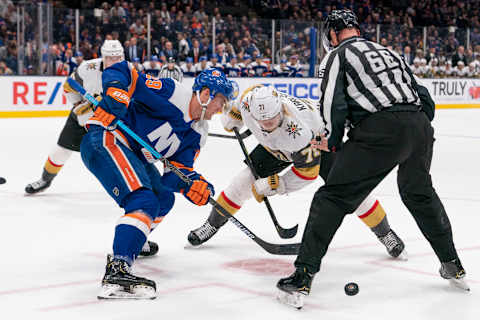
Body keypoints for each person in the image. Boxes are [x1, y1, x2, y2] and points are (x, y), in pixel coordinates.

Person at [277, 10, 467, 309]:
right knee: (419, 193)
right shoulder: (389, 52)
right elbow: (424, 96)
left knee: (332, 197)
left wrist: (332, 140)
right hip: (419, 126)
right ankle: (452, 264)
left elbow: (332, 104)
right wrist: (414, 129)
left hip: (380, 129)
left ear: (332, 35)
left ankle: (302, 277)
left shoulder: (336, 56)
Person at [188, 85, 407, 261]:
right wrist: (231, 113)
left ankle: (385, 233)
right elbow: (234, 107)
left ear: (281, 111)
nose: (266, 125)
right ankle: (211, 224)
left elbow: (307, 173)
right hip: (275, 147)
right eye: (261, 122)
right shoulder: (249, 100)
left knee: (353, 193)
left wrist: (278, 184)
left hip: (320, 143)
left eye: (272, 121)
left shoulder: (299, 133)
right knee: (242, 183)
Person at [81, 64, 233, 299]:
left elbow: (176, 175)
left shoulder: (198, 133)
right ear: (206, 94)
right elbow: (123, 71)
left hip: (134, 156)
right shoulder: (173, 93)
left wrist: (195, 185)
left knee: (163, 197)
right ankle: (118, 269)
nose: (220, 109)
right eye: (220, 102)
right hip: (107, 136)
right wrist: (116, 93)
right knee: (144, 201)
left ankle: (135, 238)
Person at [25, 40, 161, 257]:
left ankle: (138, 225)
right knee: (61, 150)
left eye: (117, 58)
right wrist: (79, 107)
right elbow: (69, 86)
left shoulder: (130, 71)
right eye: (109, 58)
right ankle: (45, 179)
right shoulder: (87, 68)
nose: (113, 61)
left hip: (111, 122)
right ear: (102, 56)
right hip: (84, 117)